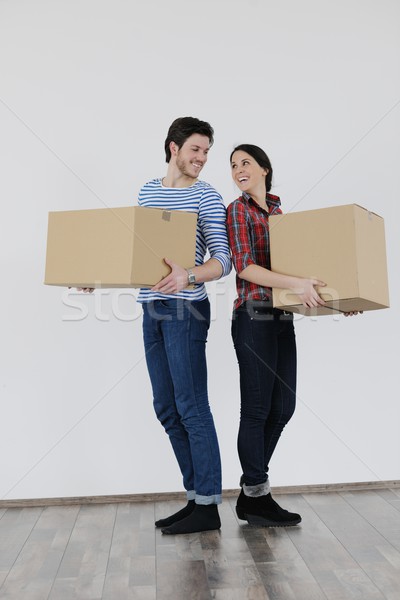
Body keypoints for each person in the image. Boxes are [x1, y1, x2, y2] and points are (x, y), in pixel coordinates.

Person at [136, 117, 231, 534]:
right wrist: (95, 274)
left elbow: (222, 260)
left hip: (186, 311)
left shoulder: (207, 197)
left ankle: (209, 504)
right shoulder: (147, 191)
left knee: (192, 406)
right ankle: (195, 498)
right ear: (173, 148)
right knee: (166, 406)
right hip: (151, 308)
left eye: (207, 151)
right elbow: (136, 253)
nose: (202, 158)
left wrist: (188, 275)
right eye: (196, 149)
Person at [226, 144, 327, 527]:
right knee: (256, 410)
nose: (238, 169)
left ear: (265, 168)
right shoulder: (238, 210)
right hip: (253, 317)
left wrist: (339, 299)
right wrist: (297, 282)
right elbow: (247, 267)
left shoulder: (280, 213)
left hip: (282, 317)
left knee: (284, 407)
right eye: (233, 165)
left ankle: (251, 493)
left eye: (245, 162)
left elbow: (302, 273)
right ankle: (257, 494)